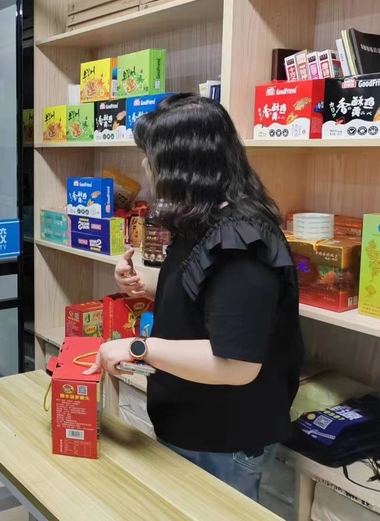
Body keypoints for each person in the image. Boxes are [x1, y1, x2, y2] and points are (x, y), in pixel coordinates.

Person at [86, 94, 304, 501]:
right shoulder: (201, 217)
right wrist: (142, 283)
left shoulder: (241, 241)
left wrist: (139, 348)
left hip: (224, 437)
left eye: (151, 157)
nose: (146, 167)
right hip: (188, 421)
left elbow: (237, 365)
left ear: (182, 163)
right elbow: (202, 292)